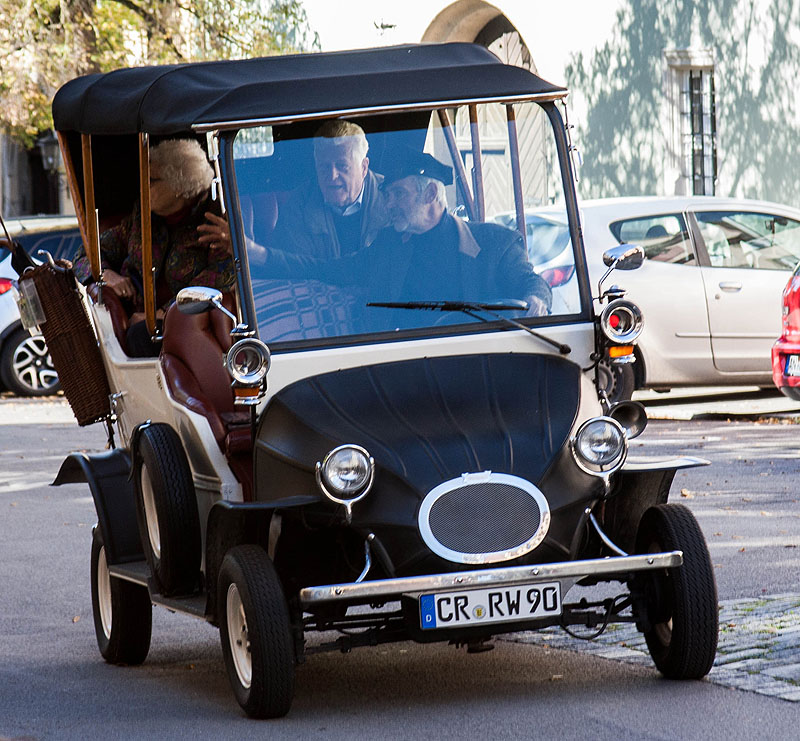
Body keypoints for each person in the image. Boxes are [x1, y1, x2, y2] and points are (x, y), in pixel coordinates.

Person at [251, 149, 551, 329]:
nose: (389, 204)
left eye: (399, 194)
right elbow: (327, 269)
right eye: (387, 195)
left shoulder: (496, 244)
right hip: (404, 376)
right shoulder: (388, 248)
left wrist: (536, 301)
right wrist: (260, 254)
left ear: (431, 194)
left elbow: (532, 284)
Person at [73, 138, 235, 356]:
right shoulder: (141, 219)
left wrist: (158, 314)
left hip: (188, 324)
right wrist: (105, 274)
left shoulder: (214, 222)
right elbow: (85, 253)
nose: (142, 187)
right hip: (135, 318)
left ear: (179, 185)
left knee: (140, 336)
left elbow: (217, 279)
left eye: (151, 181)